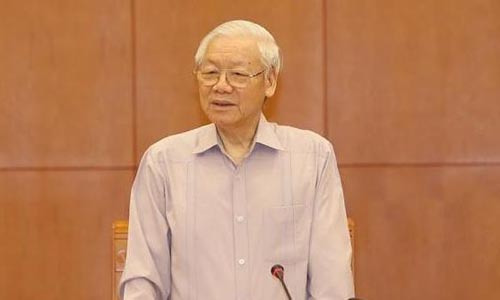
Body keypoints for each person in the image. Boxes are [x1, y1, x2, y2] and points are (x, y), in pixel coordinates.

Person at [119, 20, 355, 300]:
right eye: (210, 73)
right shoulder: (163, 164)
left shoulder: (313, 158)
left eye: (238, 75)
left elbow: (332, 283)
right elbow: (143, 282)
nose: (221, 86)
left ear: (269, 81)